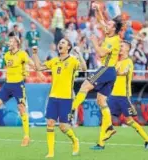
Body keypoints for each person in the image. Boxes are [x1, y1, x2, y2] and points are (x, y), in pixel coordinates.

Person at [71, 10, 122, 149]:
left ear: (114, 28)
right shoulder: (109, 32)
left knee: (84, 86)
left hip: (106, 69)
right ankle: (106, 135)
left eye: (109, 24)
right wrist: (97, 9)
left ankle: (70, 110)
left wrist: (94, 42)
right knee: (101, 101)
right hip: (110, 72)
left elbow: (100, 53)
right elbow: (101, 21)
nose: (106, 25)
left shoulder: (113, 40)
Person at [32, 38, 87, 158]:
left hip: (66, 98)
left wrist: (79, 54)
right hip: (53, 97)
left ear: (68, 47)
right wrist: (35, 54)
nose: (60, 44)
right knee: (50, 123)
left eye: (63, 42)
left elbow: (84, 68)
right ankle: (51, 152)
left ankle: (75, 140)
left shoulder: (73, 60)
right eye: (59, 42)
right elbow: (39, 67)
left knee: (63, 126)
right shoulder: (54, 61)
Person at [107, 41, 148, 149]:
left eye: (122, 46)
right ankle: (101, 143)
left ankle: (147, 139)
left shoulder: (129, 61)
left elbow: (123, 72)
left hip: (124, 95)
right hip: (113, 95)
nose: (120, 47)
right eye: (119, 46)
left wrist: (114, 72)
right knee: (106, 114)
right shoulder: (117, 62)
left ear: (127, 49)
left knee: (129, 121)